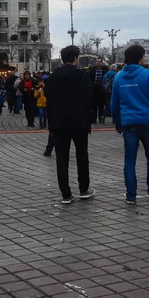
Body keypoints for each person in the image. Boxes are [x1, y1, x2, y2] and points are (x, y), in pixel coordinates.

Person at [111, 44, 149, 205]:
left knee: (129, 161)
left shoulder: (119, 77)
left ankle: (131, 195)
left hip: (128, 123)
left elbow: (114, 103)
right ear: (140, 58)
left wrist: (118, 123)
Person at [45, 45, 95, 204]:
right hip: (79, 122)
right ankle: (83, 189)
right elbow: (89, 99)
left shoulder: (52, 78)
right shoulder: (82, 76)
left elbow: (49, 102)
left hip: (59, 124)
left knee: (62, 158)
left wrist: (51, 123)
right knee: (81, 155)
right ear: (75, 58)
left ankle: (66, 194)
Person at [89, 58, 108, 124]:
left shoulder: (105, 69)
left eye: (99, 62)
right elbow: (90, 78)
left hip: (102, 89)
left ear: (102, 62)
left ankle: (100, 118)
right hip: (94, 89)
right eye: (97, 61)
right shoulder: (93, 69)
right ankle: (94, 119)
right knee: (94, 105)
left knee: (101, 105)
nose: (98, 63)